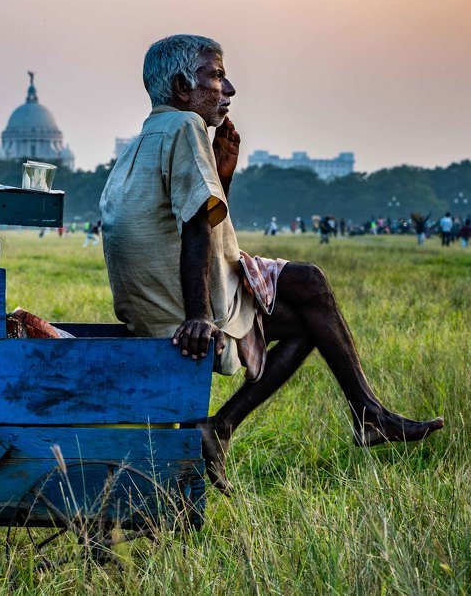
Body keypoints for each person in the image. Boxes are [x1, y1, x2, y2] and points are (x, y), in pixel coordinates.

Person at [100, 34, 443, 494]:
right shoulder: (184, 127)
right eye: (216, 76)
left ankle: (244, 425)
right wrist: (199, 317)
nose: (229, 90)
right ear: (183, 87)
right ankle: (364, 415)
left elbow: (199, 222)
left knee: (310, 311)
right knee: (310, 285)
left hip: (156, 306)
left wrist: (222, 178)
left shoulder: (145, 139)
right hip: (184, 314)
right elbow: (196, 229)